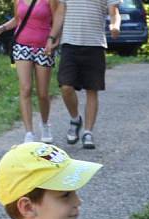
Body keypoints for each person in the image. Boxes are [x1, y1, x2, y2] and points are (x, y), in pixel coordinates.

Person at [48, 0, 120, 149]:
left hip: (95, 44)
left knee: (92, 90)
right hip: (69, 43)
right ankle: (75, 119)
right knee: (66, 86)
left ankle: (88, 132)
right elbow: (60, 12)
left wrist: (115, 26)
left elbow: (114, 12)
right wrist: (52, 37)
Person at [0, 0, 60, 144]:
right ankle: (29, 133)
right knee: (25, 89)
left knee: (42, 93)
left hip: (44, 47)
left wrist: (54, 41)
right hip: (21, 46)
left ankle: (45, 125)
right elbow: (17, 19)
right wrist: (2, 28)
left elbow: (58, 19)